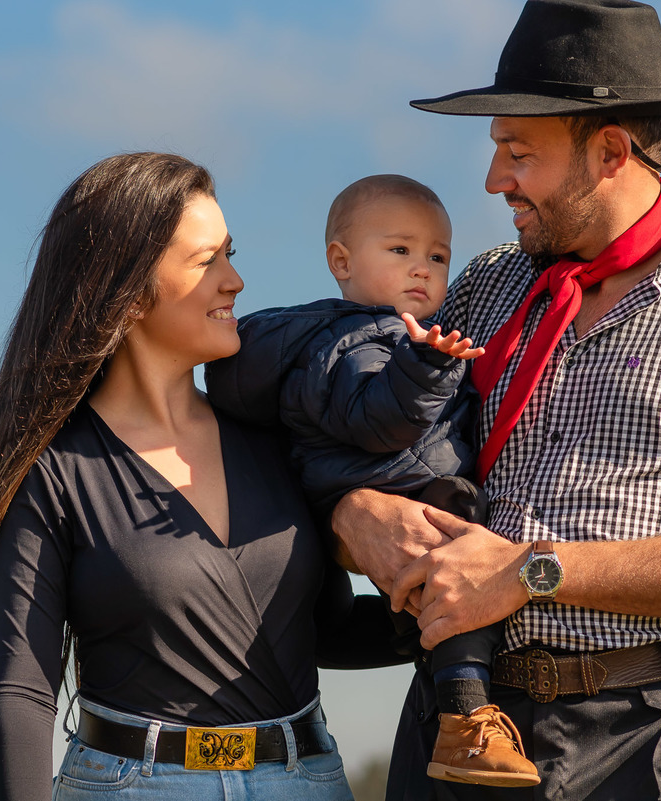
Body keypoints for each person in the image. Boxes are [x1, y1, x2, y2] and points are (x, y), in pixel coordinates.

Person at [330, 2, 661, 799]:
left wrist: (531, 571)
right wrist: (350, 513)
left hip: (658, 738)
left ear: (609, 152)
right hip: (459, 726)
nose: (494, 179)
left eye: (517, 152)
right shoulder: (485, 285)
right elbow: (374, 443)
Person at [0, 152, 400, 801]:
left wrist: (467, 610)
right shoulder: (55, 471)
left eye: (230, 254)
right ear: (130, 290)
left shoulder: (279, 436)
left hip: (308, 780)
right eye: (206, 261)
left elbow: (325, 629)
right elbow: (21, 690)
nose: (236, 281)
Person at [205, 174, 540, 788]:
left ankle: (416, 656)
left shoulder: (375, 336)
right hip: (390, 483)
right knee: (459, 562)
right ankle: (465, 720)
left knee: (405, 609)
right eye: (400, 249)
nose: (422, 268)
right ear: (342, 261)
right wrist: (427, 367)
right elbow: (377, 422)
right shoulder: (357, 341)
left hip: (378, 487)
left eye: (437, 257)